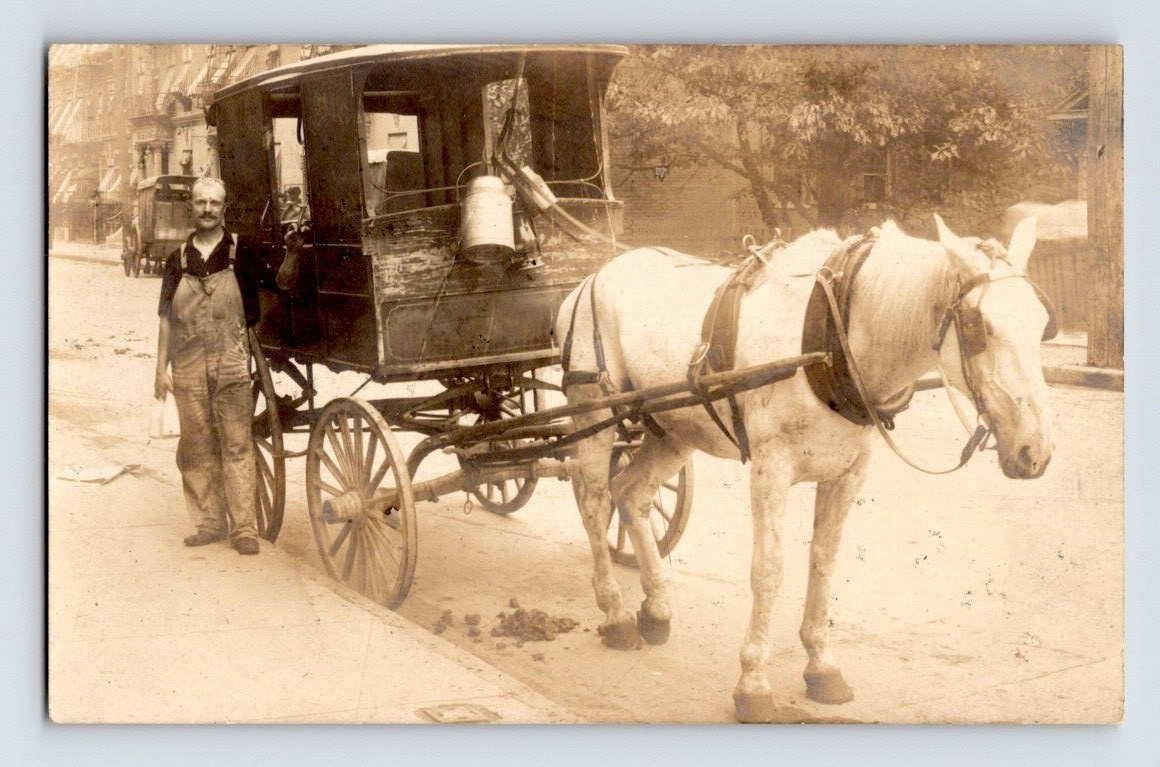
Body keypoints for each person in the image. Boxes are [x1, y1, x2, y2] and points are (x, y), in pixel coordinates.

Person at [154, 177, 261, 555]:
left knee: (236, 444)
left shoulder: (240, 253)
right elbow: (166, 317)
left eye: (215, 203)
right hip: (187, 366)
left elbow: (254, 318)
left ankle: (244, 529)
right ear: (191, 208)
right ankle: (210, 523)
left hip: (231, 362)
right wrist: (159, 370)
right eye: (201, 203)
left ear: (224, 209)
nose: (208, 209)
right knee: (196, 446)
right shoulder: (177, 258)